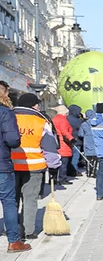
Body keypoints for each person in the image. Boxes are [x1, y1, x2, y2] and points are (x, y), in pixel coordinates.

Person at [12, 93, 60, 239]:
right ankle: (28, 230)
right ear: (33, 106)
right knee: (30, 199)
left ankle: (11, 229)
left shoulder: (8, 118)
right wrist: (53, 167)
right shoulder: (41, 122)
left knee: (11, 200)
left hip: (10, 167)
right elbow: (50, 148)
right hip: (33, 167)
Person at [0, 87, 28, 253]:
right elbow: (12, 139)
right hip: (2, 165)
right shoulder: (5, 112)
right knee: (9, 202)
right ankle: (14, 242)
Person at [51, 105, 75, 185]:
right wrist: (71, 139)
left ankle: (53, 179)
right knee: (63, 163)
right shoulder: (63, 120)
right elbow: (65, 131)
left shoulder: (54, 119)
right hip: (63, 144)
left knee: (55, 163)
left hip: (55, 143)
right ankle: (62, 179)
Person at [65, 104, 84, 177]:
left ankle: (68, 170)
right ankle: (74, 170)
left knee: (68, 157)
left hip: (67, 140)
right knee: (75, 157)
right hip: (76, 140)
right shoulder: (78, 121)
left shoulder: (66, 119)